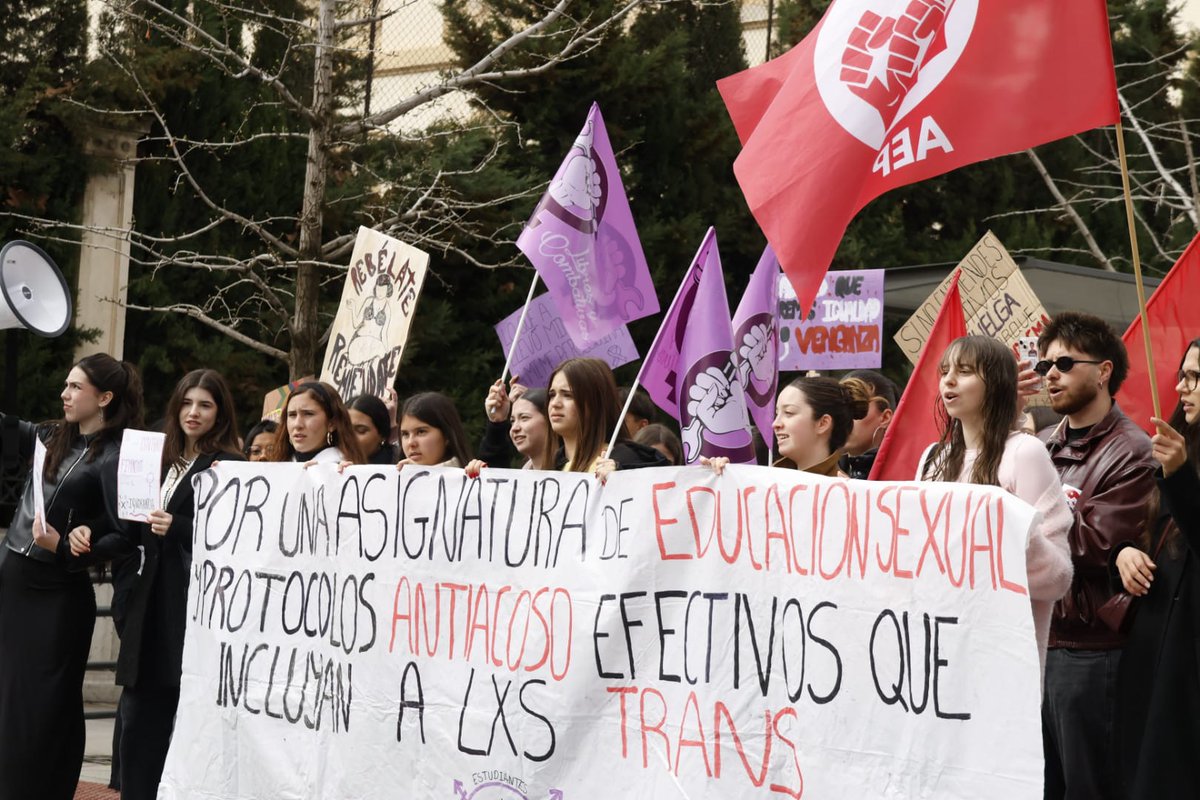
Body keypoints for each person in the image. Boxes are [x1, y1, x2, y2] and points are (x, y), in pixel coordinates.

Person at [0, 353, 143, 800]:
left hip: (57, 595)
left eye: (76, 387)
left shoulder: (118, 457)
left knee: (45, 705)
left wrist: (68, 545)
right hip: (14, 583)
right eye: (66, 384)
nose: (64, 393)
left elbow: (128, 537)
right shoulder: (50, 436)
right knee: (9, 699)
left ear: (104, 398)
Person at [1035, 311, 1156, 800]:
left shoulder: (1133, 451)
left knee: (1088, 787)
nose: (1050, 374)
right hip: (1036, 639)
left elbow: (1093, 544)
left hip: (1089, 651)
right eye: (1045, 364)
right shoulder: (1038, 446)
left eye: (1065, 363)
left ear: (1104, 371)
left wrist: (1024, 522)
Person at [115, 369, 244, 799]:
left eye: (205, 405)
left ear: (220, 413)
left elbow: (236, 536)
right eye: (187, 403)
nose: (194, 412)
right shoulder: (159, 457)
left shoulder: (230, 464)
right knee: (137, 723)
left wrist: (180, 527)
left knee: (188, 726)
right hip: (146, 605)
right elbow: (130, 528)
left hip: (192, 610)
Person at [916, 336, 1073, 675]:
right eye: (945, 371)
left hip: (1000, 663)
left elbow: (1058, 577)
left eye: (965, 371)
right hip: (938, 655)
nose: (949, 381)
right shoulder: (932, 459)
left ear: (997, 384)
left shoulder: (1025, 453)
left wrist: (1002, 527)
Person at [1113, 337, 1200, 799]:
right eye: (1183, 375)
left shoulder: (1178, 460)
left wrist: (1181, 475)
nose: (1182, 387)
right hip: (1153, 646)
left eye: (1196, 378)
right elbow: (1145, 533)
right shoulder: (1175, 449)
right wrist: (1123, 555)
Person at [544, 358, 667, 475]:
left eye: (568, 395)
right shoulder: (549, 469)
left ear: (595, 403)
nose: (555, 403)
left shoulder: (625, 463)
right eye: (552, 395)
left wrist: (620, 476)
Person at [772, 375, 868, 477]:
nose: (775, 424)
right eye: (777, 414)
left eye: (789, 412)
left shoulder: (840, 486)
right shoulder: (768, 481)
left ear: (823, 423)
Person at [269, 381, 366, 465]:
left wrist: (341, 476)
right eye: (292, 415)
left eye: (308, 414)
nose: (297, 424)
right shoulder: (276, 468)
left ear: (332, 423)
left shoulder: (344, 468)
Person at [838, 369, 898, 479]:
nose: (842, 417)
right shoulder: (822, 476)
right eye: (837, 409)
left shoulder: (908, 474)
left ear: (885, 417)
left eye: (856, 407)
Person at [397, 392, 472, 467]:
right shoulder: (395, 473)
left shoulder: (473, 472)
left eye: (421, 432)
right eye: (405, 434)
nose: (411, 443)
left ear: (447, 435)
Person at [348, 394, 399, 464]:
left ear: (382, 434)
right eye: (345, 431)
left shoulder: (403, 464)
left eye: (361, 431)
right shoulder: (334, 462)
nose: (350, 438)